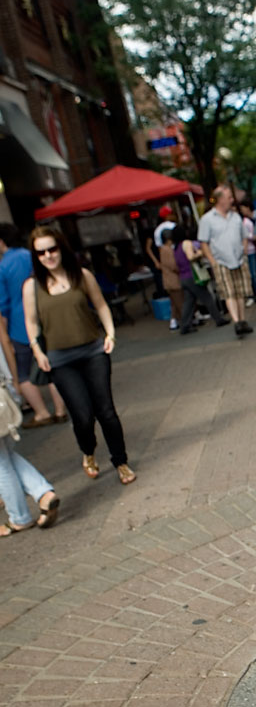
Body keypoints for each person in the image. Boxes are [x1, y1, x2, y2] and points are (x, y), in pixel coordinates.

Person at [22, 227, 136, 485]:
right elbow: (31, 321)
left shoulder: (82, 276)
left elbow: (101, 305)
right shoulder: (32, 286)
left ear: (61, 248)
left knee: (106, 412)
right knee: (83, 416)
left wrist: (110, 334)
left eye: (52, 249)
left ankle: (121, 461)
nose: (48, 256)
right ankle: (88, 451)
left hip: (93, 351)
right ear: (35, 256)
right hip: (60, 360)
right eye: (41, 252)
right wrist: (37, 350)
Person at [0, 223, 67, 427]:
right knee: (52, 366)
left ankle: (41, 413)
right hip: (45, 317)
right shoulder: (33, 255)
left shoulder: (3, 266)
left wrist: (5, 335)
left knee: (22, 374)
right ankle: (60, 410)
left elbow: (3, 305)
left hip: (19, 327)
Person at [0, 311, 59, 534]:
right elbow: (5, 342)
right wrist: (14, 382)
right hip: (3, 393)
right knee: (6, 454)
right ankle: (43, 493)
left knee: (1, 463)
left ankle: (20, 517)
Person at [197, 185, 253, 337]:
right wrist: (213, 261)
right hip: (221, 262)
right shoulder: (207, 219)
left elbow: (244, 236)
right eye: (229, 198)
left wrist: (244, 252)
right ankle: (236, 322)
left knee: (240, 292)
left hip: (239, 260)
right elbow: (203, 243)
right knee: (229, 293)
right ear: (220, 199)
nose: (232, 200)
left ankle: (242, 321)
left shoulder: (235, 216)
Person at [170, 225, 230, 335]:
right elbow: (190, 257)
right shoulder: (186, 243)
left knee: (189, 302)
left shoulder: (176, 248)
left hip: (183, 277)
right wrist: (200, 253)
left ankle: (185, 325)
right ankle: (218, 319)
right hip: (193, 275)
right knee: (207, 297)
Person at [157, 231, 185, 331]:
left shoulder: (164, 249)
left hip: (169, 281)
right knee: (180, 302)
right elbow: (173, 265)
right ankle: (185, 322)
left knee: (174, 303)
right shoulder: (167, 250)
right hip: (173, 280)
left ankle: (174, 322)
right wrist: (181, 269)